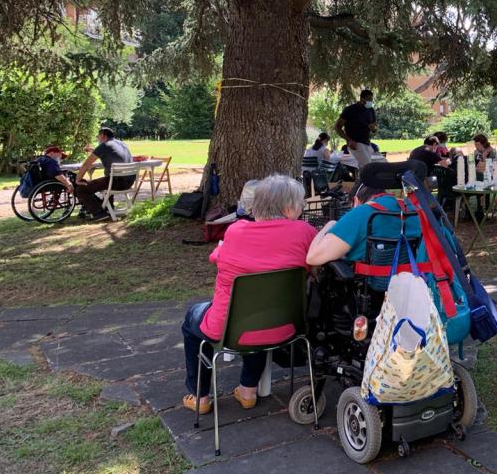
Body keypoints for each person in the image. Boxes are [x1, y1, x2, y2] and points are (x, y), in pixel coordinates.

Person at [181, 175, 319, 415]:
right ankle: (248, 390)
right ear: (288, 208)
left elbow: (216, 258)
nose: (302, 208)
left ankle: (200, 395)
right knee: (260, 308)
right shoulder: (306, 232)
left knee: (193, 317)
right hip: (286, 326)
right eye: (300, 204)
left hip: (231, 328)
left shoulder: (235, 232)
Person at [306, 167, 427, 267]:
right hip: (414, 281)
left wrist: (330, 224)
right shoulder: (414, 209)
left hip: (372, 284)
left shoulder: (360, 213)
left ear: (356, 201)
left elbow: (313, 258)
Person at [74, 127, 135, 221]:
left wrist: (78, 179)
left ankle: (99, 213)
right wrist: (94, 150)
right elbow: (111, 153)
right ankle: (107, 208)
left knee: (81, 189)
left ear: (103, 135)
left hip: (116, 183)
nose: (97, 139)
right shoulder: (122, 144)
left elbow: (86, 164)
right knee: (107, 179)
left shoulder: (104, 146)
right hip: (129, 182)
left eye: (98, 136)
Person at [336, 89, 377, 168]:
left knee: (364, 168)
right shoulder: (350, 110)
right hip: (355, 143)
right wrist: (349, 140)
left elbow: (375, 128)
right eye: (368, 99)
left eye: (371, 100)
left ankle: (361, 180)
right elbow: (337, 127)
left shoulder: (371, 110)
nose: (370, 102)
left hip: (367, 143)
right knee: (368, 167)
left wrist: (374, 129)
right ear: (362, 99)